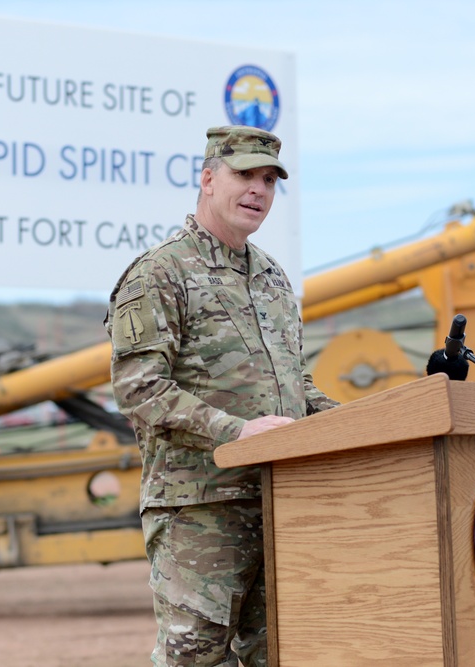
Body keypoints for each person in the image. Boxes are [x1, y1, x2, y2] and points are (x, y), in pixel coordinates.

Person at [105, 125, 338, 666]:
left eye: (268, 180)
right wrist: (237, 432)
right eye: (243, 175)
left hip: (279, 501)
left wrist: (372, 421)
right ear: (208, 179)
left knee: (280, 655)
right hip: (200, 509)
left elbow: (296, 387)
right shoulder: (159, 273)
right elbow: (139, 388)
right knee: (195, 659)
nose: (258, 190)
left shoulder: (272, 279)